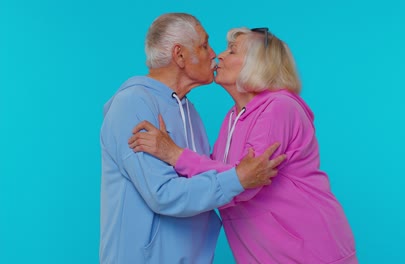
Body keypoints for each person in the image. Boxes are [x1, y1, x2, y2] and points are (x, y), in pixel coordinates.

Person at [129, 27, 358, 263]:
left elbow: (246, 182)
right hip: (264, 253)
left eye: (232, 50)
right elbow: (226, 176)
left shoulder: (279, 108)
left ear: (257, 64)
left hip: (310, 251)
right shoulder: (232, 118)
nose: (220, 55)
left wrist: (175, 154)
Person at [100, 14, 286, 264]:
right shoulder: (133, 104)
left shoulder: (190, 112)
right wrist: (238, 179)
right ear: (179, 55)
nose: (214, 54)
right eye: (204, 45)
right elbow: (162, 194)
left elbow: (204, 174)